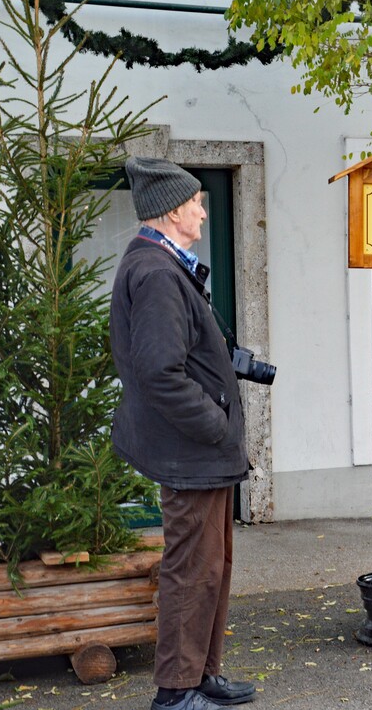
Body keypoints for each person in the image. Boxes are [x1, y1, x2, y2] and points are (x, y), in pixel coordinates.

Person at [110, 156, 256, 710]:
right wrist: (214, 424)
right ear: (173, 209)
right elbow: (159, 372)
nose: (202, 209)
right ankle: (175, 691)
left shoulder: (166, 265)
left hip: (202, 454)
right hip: (190, 451)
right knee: (190, 571)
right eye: (196, 201)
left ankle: (200, 676)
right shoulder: (154, 273)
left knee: (211, 567)